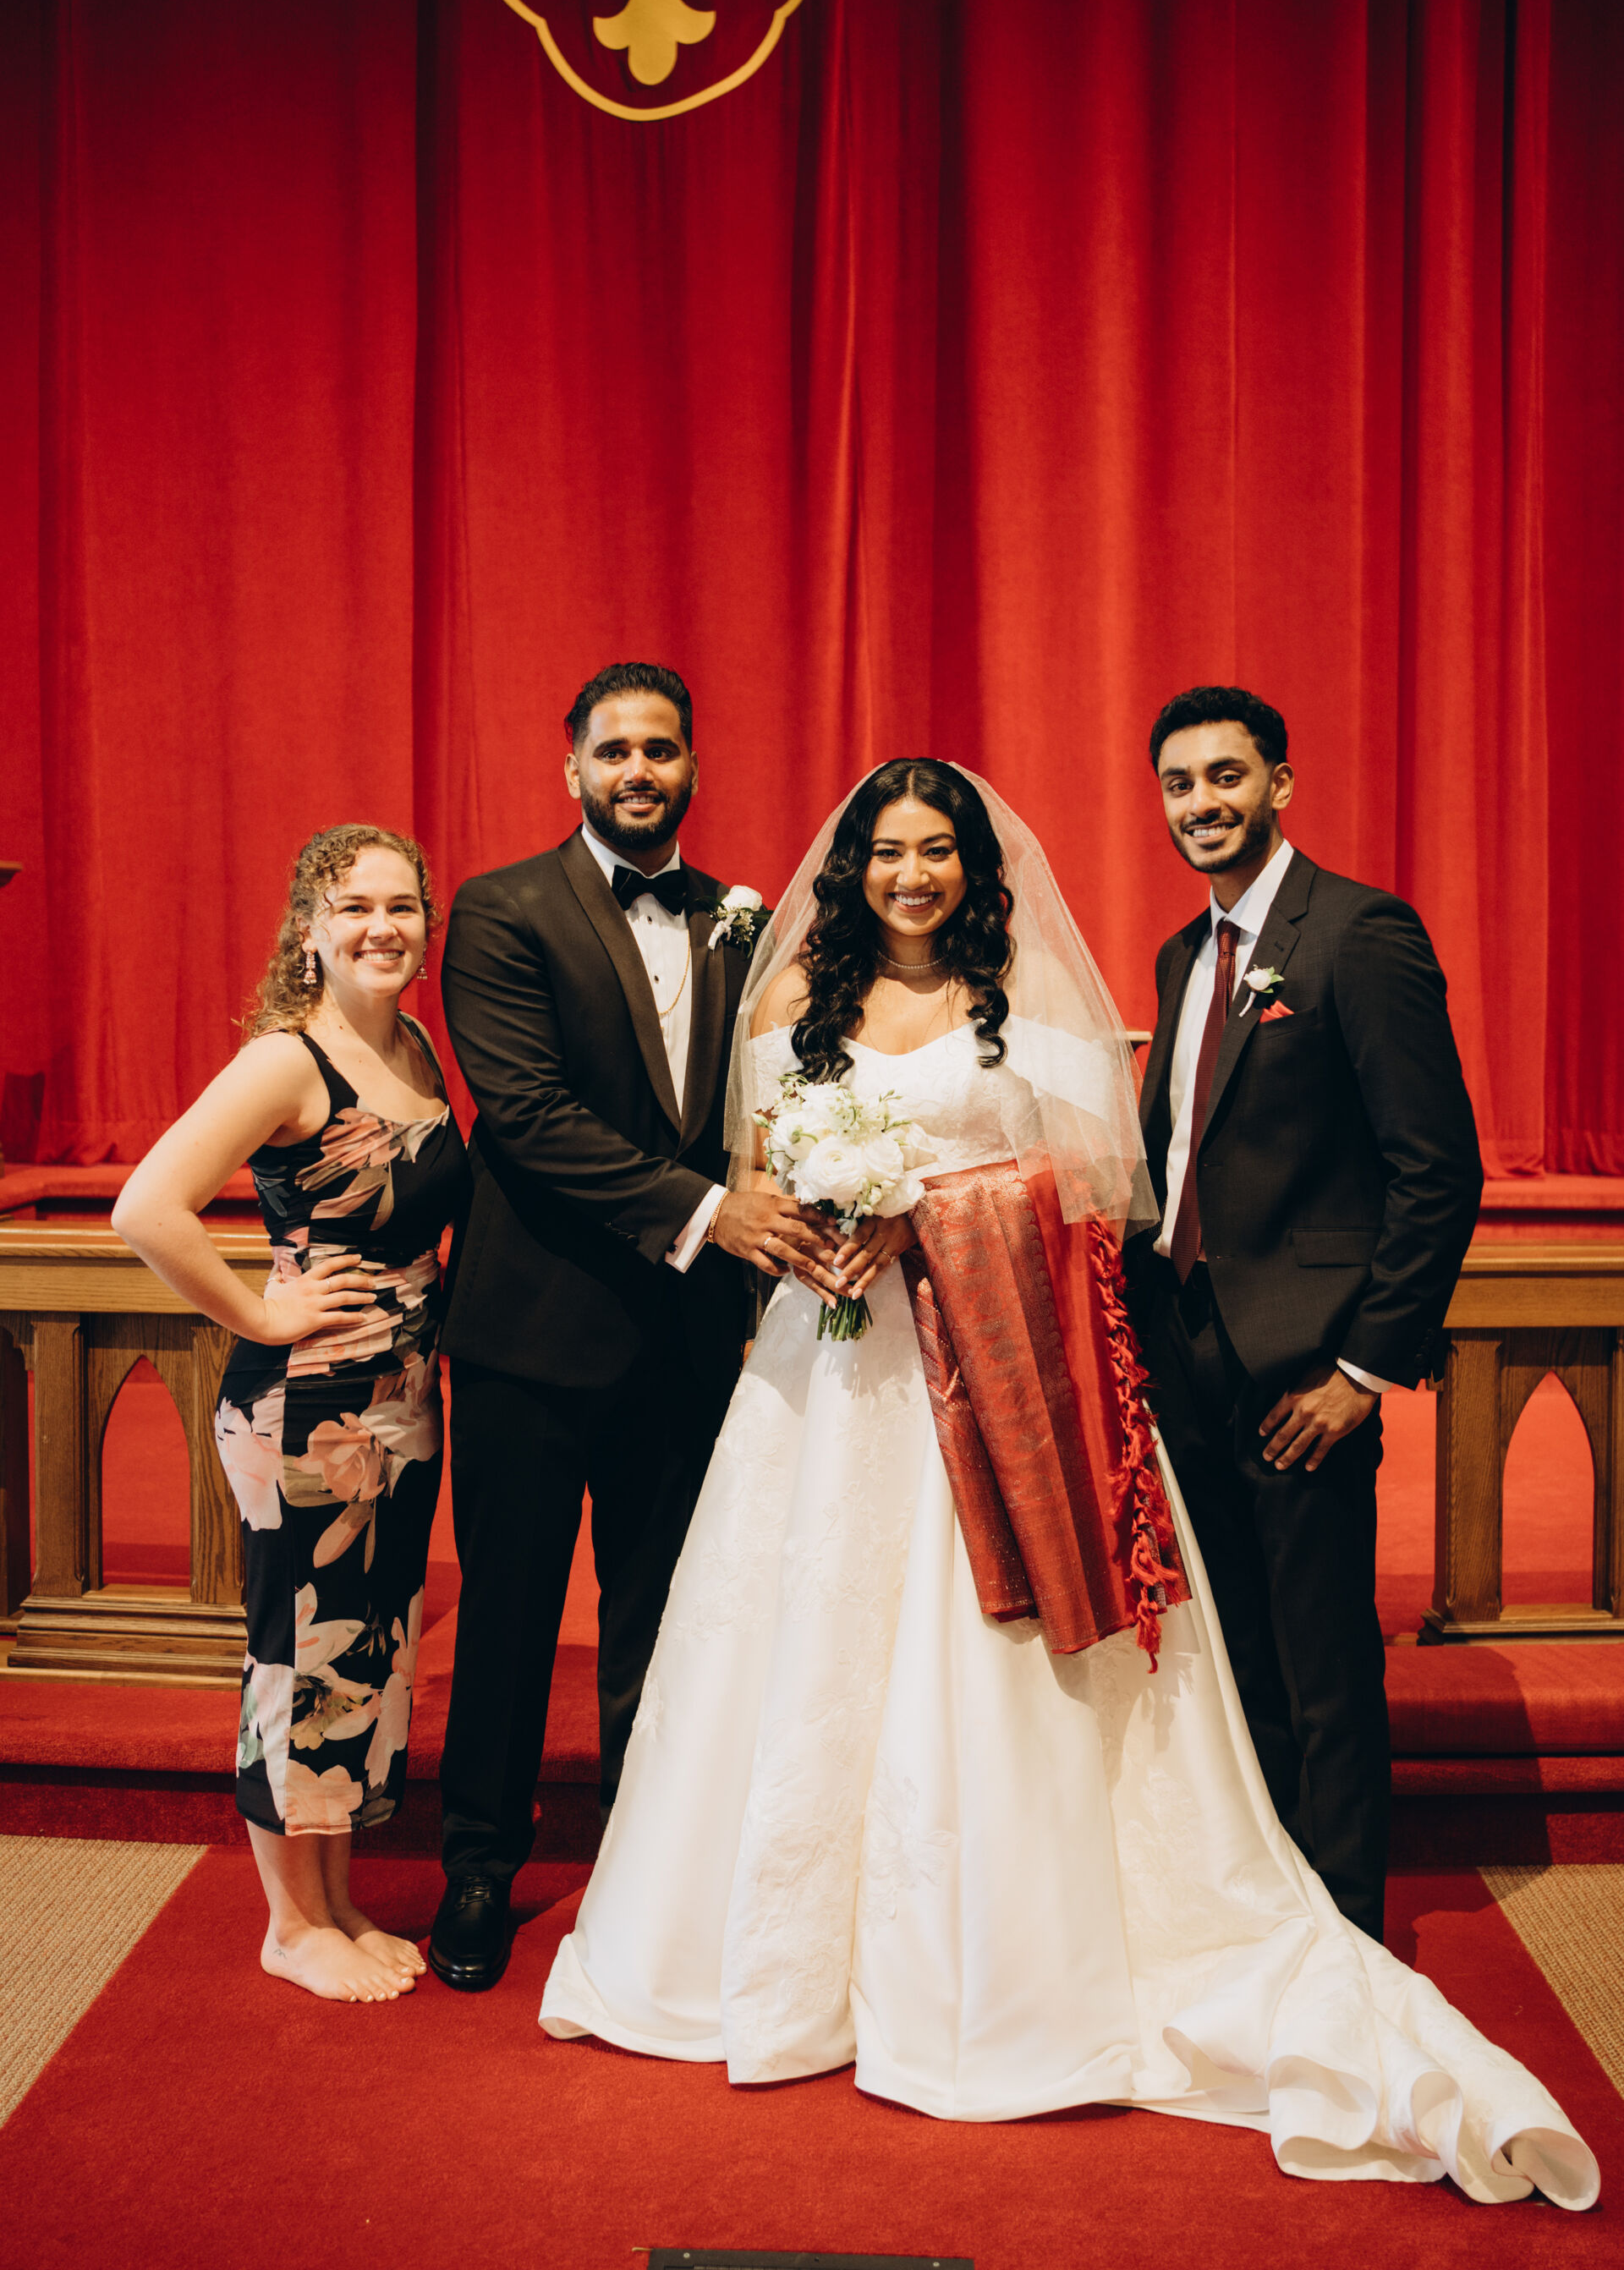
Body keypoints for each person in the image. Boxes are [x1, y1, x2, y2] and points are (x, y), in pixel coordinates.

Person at [538, 759, 1596, 2208]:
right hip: (823, 1385)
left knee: (992, 1667)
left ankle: (1016, 1954)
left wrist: (922, 1214)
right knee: (792, 1651)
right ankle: (783, 1960)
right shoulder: (787, 1003)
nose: (913, 874)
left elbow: (1101, 1196)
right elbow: (755, 1168)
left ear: (976, 867)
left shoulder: (1019, 1000)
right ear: (851, 869)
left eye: (938, 851)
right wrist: (804, 1223)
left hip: (996, 1385)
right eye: (888, 852)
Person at [429, 663, 843, 1993]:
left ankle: (647, 1865)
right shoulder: (503, 908)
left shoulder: (745, 920)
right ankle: (480, 1865)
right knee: (508, 1614)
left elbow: (771, 1100)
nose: (639, 772)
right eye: (614, 752)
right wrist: (714, 1213)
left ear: (693, 767)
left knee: (667, 1613)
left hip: (685, 1337)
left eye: (661, 750)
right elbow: (528, 1115)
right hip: (531, 1331)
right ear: (573, 770)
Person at [1126, 687, 1483, 1946]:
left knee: (1323, 1661)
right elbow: (1176, 1159)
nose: (1202, 804)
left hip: (1306, 1369)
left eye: (1226, 777)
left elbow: (1438, 1170)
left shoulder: (1359, 933)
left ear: (1280, 782)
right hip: (1186, 1353)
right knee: (1237, 1657)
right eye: (1179, 784)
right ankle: (1272, 1910)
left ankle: (1349, 1937)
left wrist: (1362, 1371)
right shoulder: (1183, 956)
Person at [114, 824, 468, 2002]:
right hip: (304, 1407)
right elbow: (145, 1207)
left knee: (360, 1649)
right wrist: (261, 1315)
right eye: (355, 906)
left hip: (399, 1406)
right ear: (310, 927)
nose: (382, 927)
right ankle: (288, 1923)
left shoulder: (414, 1044)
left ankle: (335, 1900)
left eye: (402, 906)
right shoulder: (285, 1061)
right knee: (294, 1647)